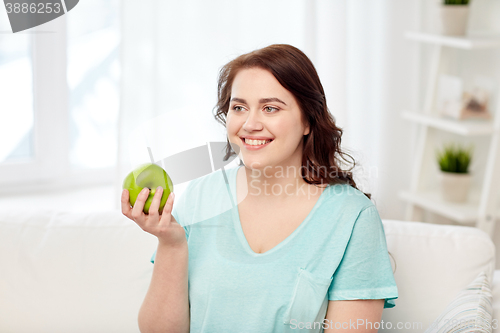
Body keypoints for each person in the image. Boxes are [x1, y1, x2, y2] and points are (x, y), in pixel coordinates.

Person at [121, 44, 398, 333]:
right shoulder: (202, 196)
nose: (250, 124)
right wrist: (172, 243)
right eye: (239, 107)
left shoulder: (353, 218)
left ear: (307, 120)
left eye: (270, 108)